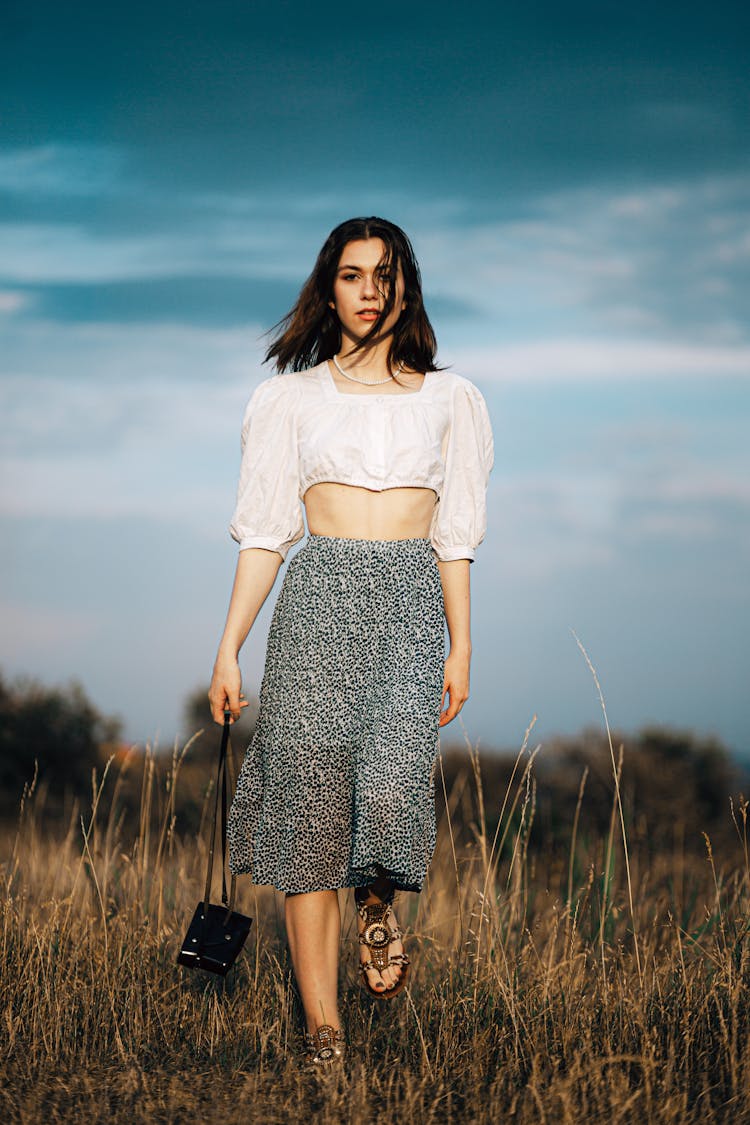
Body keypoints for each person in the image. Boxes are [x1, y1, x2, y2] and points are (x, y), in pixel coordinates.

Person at [208, 216, 493, 1069]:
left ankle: (378, 899)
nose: (369, 291)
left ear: (404, 287)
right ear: (327, 289)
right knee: (309, 822)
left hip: (408, 603)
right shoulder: (290, 397)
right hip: (317, 601)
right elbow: (265, 535)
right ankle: (323, 1034)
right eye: (352, 275)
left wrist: (461, 644)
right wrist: (228, 647)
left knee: (395, 787)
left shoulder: (453, 399)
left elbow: (457, 537)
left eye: (385, 275)